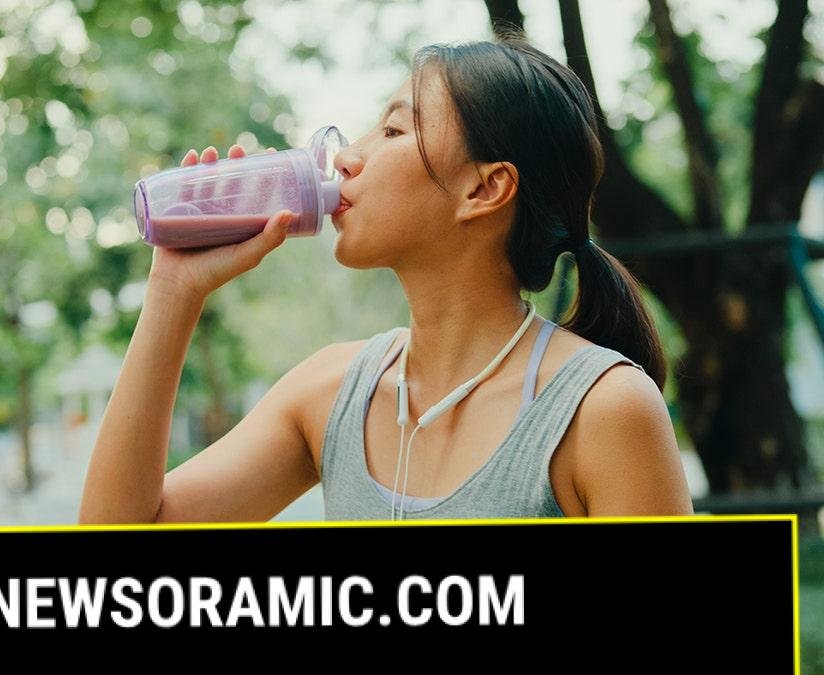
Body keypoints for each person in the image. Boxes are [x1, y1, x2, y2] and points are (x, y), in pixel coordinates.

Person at [78, 35, 695, 524]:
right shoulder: (330, 393)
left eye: (394, 130)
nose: (348, 156)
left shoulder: (602, 412)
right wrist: (173, 290)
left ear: (485, 188)